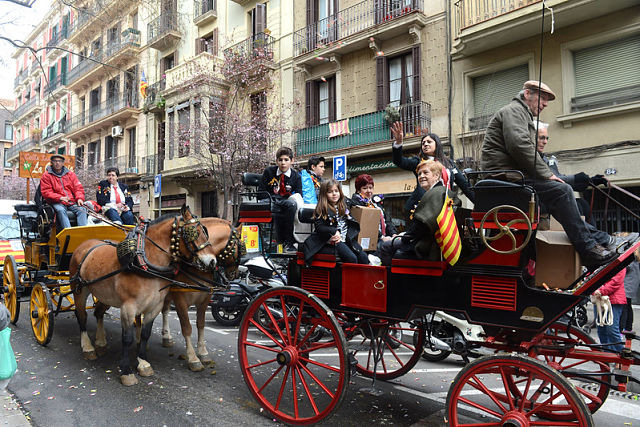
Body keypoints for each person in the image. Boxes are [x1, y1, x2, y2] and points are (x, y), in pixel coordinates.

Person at [480, 80, 616, 269]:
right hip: (503, 178)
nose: (544, 104)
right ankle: (589, 249)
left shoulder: (521, 114)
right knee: (561, 191)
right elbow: (519, 146)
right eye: (542, 99)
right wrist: (546, 174)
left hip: (512, 177)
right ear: (527, 94)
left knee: (563, 196)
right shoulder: (514, 111)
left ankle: (596, 242)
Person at [536, 122, 631, 249]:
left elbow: (559, 177)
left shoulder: (545, 159)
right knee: (576, 207)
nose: (545, 141)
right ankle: (596, 243)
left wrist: (590, 181)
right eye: (541, 138)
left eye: (547, 138)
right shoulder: (532, 159)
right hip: (541, 203)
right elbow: (554, 181)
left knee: (582, 204)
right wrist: (577, 178)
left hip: (550, 201)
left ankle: (597, 243)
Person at [391, 123, 475, 214]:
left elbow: (465, 186)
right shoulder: (418, 162)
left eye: (429, 142)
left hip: (446, 207)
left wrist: (480, 204)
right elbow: (399, 161)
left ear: (437, 144)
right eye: (423, 143)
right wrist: (398, 144)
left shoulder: (449, 163)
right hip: (423, 209)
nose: (425, 144)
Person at [378, 160, 446, 266]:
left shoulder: (434, 194)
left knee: (385, 246)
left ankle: (390, 279)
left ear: (436, 175)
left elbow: (423, 225)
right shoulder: (440, 191)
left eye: (425, 172)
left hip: (426, 244)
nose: (421, 176)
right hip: (430, 241)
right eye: (419, 174)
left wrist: (404, 237)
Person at [302, 179, 369, 265]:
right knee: (352, 258)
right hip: (334, 240)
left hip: (347, 239)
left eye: (336, 191)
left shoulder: (344, 203)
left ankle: (363, 278)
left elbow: (357, 201)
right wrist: (334, 231)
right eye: (330, 192)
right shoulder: (322, 208)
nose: (334, 194)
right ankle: (348, 278)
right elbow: (319, 227)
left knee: (363, 257)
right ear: (324, 194)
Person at [259, 147, 302, 252]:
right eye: (280, 160)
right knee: (274, 208)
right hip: (271, 200)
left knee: (291, 206)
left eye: (286, 160)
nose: (283, 163)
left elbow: (298, 194)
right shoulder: (269, 172)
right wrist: (273, 200)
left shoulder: (296, 176)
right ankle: (276, 242)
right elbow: (261, 192)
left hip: (286, 202)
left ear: (292, 161)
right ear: (276, 161)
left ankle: (288, 241)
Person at [40, 154, 88, 230]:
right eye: (55, 161)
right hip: (56, 202)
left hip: (70, 201)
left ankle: (81, 232)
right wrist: (60, 198)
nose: (57, 163)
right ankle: (68, 231)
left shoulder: (71, 174)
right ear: (51, 162)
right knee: (60, 210)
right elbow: (46, 192)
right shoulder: (46, 176)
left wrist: (80, 198)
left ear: (63, 163)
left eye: (59, 161)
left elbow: (78, 188)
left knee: (82, 210)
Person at [349, 174, 397, 242]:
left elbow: (387, 220)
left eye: (370, 188)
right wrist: (381, 237)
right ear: (358, 190)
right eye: (365, 188)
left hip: (384, 238)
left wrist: (393, 234)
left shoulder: (375, 202)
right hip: (369, 241)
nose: (369, 191)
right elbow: (366, 225)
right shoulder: (356, 204)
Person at [593, 268, 626, 352]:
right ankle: (607, 352)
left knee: (611, 329)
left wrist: (600, 291)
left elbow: (616, 282)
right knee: (601, 328)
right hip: (599, 298)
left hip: (613, 299)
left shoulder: (620, 263)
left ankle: (620, 353)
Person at [621, 249, 640, 333]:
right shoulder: (636, 261)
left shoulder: (632, 260)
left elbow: (625, 268)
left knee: (625, 307)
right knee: (628, 306)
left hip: (627, 286)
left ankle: (626, 327)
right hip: (631, 286)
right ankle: (628, 327)